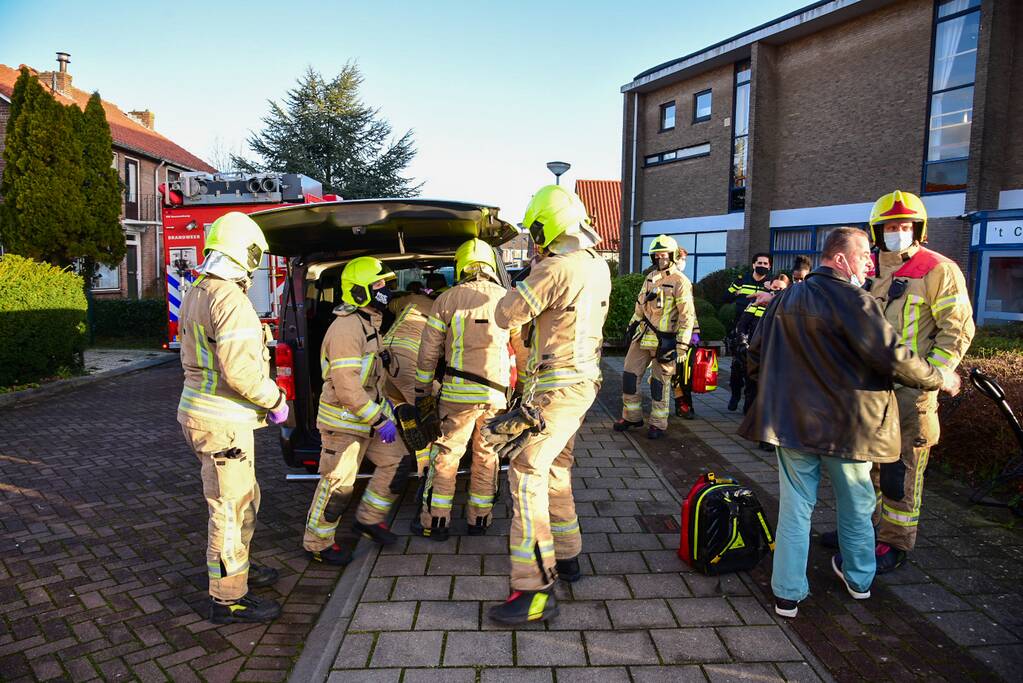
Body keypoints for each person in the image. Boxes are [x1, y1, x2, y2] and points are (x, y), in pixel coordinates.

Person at [738, 227, 960, 619]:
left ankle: (787, 594)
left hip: (793, 426)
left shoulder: (786, 298)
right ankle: (859, 581)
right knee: (856, 505)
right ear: (840, 258)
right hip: (851, 427)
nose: (869, 264)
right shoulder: (857, 303)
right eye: (862, 257)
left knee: (795, 509)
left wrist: (774, 393)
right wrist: (940, 377)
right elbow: (893, 357)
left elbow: (755, 354)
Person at [821, 191, 975, 573]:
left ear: (918, 229)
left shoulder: (939, 269)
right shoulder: (872, 274)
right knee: (865, 466)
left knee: (901, 470)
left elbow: (956, 332)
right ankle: (861, 531)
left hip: (912, 394)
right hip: (872, 392)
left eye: (905, 226)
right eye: (891, 226)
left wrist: (932, 379)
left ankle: (894, 541)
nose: (898, 233)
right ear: (878, 231)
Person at [484, 185, 611, 624]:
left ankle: (534, 588)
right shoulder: (596, 265)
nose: (535, 239)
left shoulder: (555, 269)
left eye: (536, 231)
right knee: (557, 467)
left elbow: (506, 315)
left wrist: (527, 275)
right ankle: (569, 554)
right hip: (582, 385)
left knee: (524, 474)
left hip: (554, 391)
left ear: (548, 227)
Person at [177, 212, 289, 624]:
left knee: (244, 500)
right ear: (246, 252)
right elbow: (241, 372)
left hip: (202, 414)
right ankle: (229, 598)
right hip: (223, 422)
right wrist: (276, 399)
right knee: (230, 511)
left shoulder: (197, 290)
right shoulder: (230, 298)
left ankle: (239, 571)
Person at [302, 257, 409, 566]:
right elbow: (347, 387)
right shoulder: (347, 329)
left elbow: (375, 378)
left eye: (385, 285)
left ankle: (369, 520)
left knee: (396, 463)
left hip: (369, 419)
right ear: (359, 291)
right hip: (345, 422)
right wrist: (379, 420)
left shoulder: (369, 324)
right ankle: (317, 543)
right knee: (337, 486)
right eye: (378, 286)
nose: (385, 291)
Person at [413, 239, 510, 539]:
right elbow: (523, 347)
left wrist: (422, 391)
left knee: (446, 455)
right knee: (487, 455)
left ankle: (436, 523)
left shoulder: (447, 300)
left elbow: (429, 352)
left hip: (456, 396)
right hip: (495, 396)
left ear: (461, 266)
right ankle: (479, 521)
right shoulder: (507, 298)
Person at [614, 236, 696, 439]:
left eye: (664, 254)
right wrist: (631, 327)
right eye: (656, 255)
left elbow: (688, 316)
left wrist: (682, 346)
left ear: (673, 256)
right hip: (643, 336)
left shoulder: (681, 282)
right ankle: (631, 417)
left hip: (666, 341)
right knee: (629, 376)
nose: (660, 258)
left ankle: (658, 424)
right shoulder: (650, 277)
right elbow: (639, 307)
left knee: (659, 384)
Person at [735, 274, 789, 416]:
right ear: (770, 286)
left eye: (781, 288)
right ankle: (749, 414)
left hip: (774, 353)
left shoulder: (788, 307)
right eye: (774, 287)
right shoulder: (758, 301)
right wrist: (743, 342)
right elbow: (742, 325)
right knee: (751, 384)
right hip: (754, 350)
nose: (777, 290)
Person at [726, 253, 773, 410]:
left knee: (753, 372)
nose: (762, 265)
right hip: (740, 330)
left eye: (765, 263)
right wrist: (739, 294)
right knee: (737, 368)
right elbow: (726, 296)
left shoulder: (770, 284)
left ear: (769, 267)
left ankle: (749, 403)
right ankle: (735, 395)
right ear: (753, 265)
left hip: (759, 333)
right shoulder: (742, 280)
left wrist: (771, 291)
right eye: (759, 262)